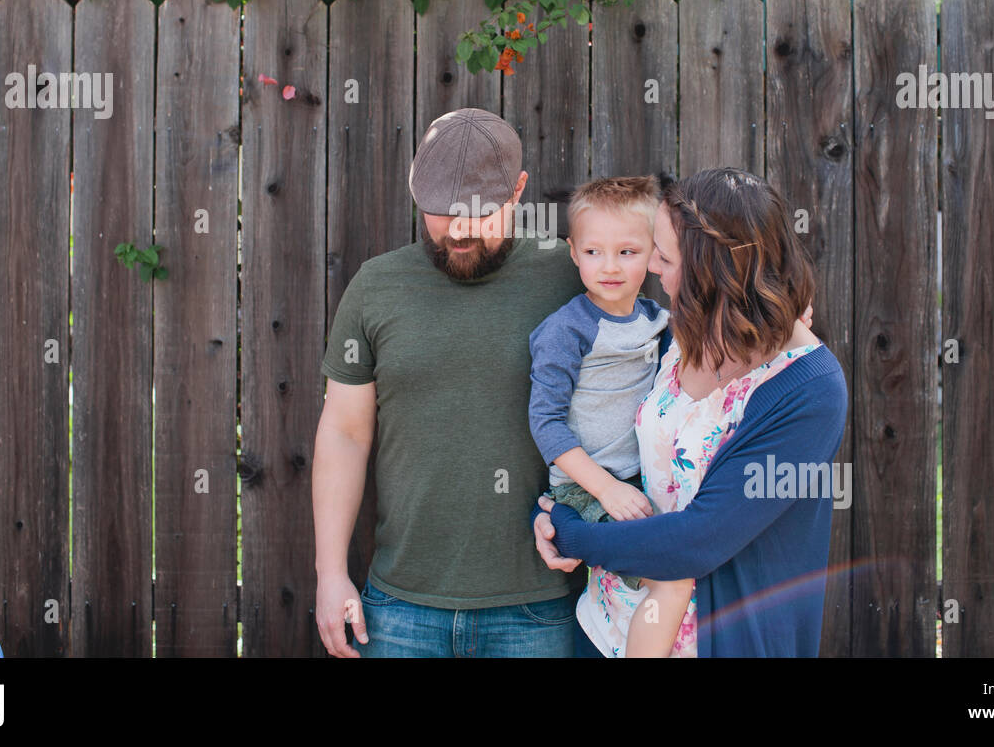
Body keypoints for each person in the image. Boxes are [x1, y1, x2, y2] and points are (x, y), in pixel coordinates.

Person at [531, 167, 847, 657]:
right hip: (609, 623)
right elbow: (590, 429)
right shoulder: (678, 335)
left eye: (664, 256)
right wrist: (552, 510)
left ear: (714, 274)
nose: (651, 267)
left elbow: (697, 541)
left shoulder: (808, 392)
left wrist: (572, 532)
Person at [313, 107, 585, 658]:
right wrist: (330, 573)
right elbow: (344, 433)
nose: (458, 230)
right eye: (440, 212)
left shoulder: (575, 277)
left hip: (538, 608)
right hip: (398, 610)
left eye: (478, 213)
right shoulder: (377, 287)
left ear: (518, 191)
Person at [527, 175, 693, 657]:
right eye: (594, 252)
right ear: (573, 253)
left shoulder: (655, 319)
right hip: (586, 486)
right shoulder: (567, 330)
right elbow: (546, 423)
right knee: (662, 572)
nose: (611, 266)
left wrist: (791, 321)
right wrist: (606, 488)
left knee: (675, 575)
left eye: (628, 252)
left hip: (639, 477)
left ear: (654, 255)